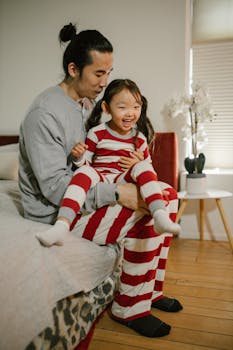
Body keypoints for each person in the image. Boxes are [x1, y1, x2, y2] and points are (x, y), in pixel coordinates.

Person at [18, 22, 183, 339]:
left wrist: (134, 165)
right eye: (98, 74)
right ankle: (129, 308)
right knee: (148, 209)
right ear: (73, 69)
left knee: (167, 197)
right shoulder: (44, 113)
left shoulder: (88, 104)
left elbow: (104, 153)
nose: (105, 82)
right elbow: (54, 188)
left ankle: (149, 290)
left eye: (109, 73)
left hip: (88, 198)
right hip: (57, 212)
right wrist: (119, 193)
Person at [36, 79, 181, 247]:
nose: (130, 113)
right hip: (101, 177)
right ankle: (62, 225)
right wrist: (78, 156)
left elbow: (151, 176)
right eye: (122, 107)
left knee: (143, 167)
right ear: (106, 108)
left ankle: (160, 215)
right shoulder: (96, 133)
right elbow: (84, 164)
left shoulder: (139, 139)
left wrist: (138, 163)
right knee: (82, 173)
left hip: (124, 179)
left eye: (136, 107)